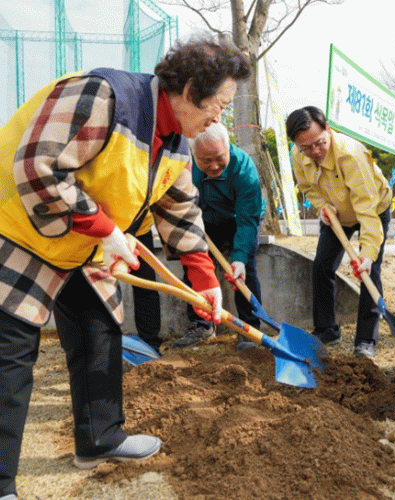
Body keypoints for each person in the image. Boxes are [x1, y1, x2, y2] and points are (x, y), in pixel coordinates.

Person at [0, 33, 249, 499]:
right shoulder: (104, 97)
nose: (220, 116)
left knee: (99, 330)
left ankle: (100, 439)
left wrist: (206, 281)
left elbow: (180, 210)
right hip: (19, 227)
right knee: (10, 354)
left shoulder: (176, 142)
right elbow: (37, 167)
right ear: (190, 88)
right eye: (219, 103)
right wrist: (104, 228)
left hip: (83, 241)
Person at [286, 106, 392, 359]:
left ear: (328, 129)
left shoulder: (350, 155)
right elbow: (307, 187)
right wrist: (324, 206)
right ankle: (327, 330)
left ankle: (366, 339)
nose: (314, 151)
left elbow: (367, 209)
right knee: (322, 266)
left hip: (372, 208)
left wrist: (367, 254)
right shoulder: (298, 154)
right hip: (335, 214)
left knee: (369, 271)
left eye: (319, 143)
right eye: (306, 148)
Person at [172, 121, 265, 349]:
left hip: (239, 218)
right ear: (193, 153)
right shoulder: (183, 165)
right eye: (205, 160)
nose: (214, 166)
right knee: (194, 266)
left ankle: (250, 329)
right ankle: (202, 325)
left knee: (244, 269)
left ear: (227, 146)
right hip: (204, 219)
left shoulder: (243, 169)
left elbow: (247, 219)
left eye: (219, 158)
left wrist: (239, 257)